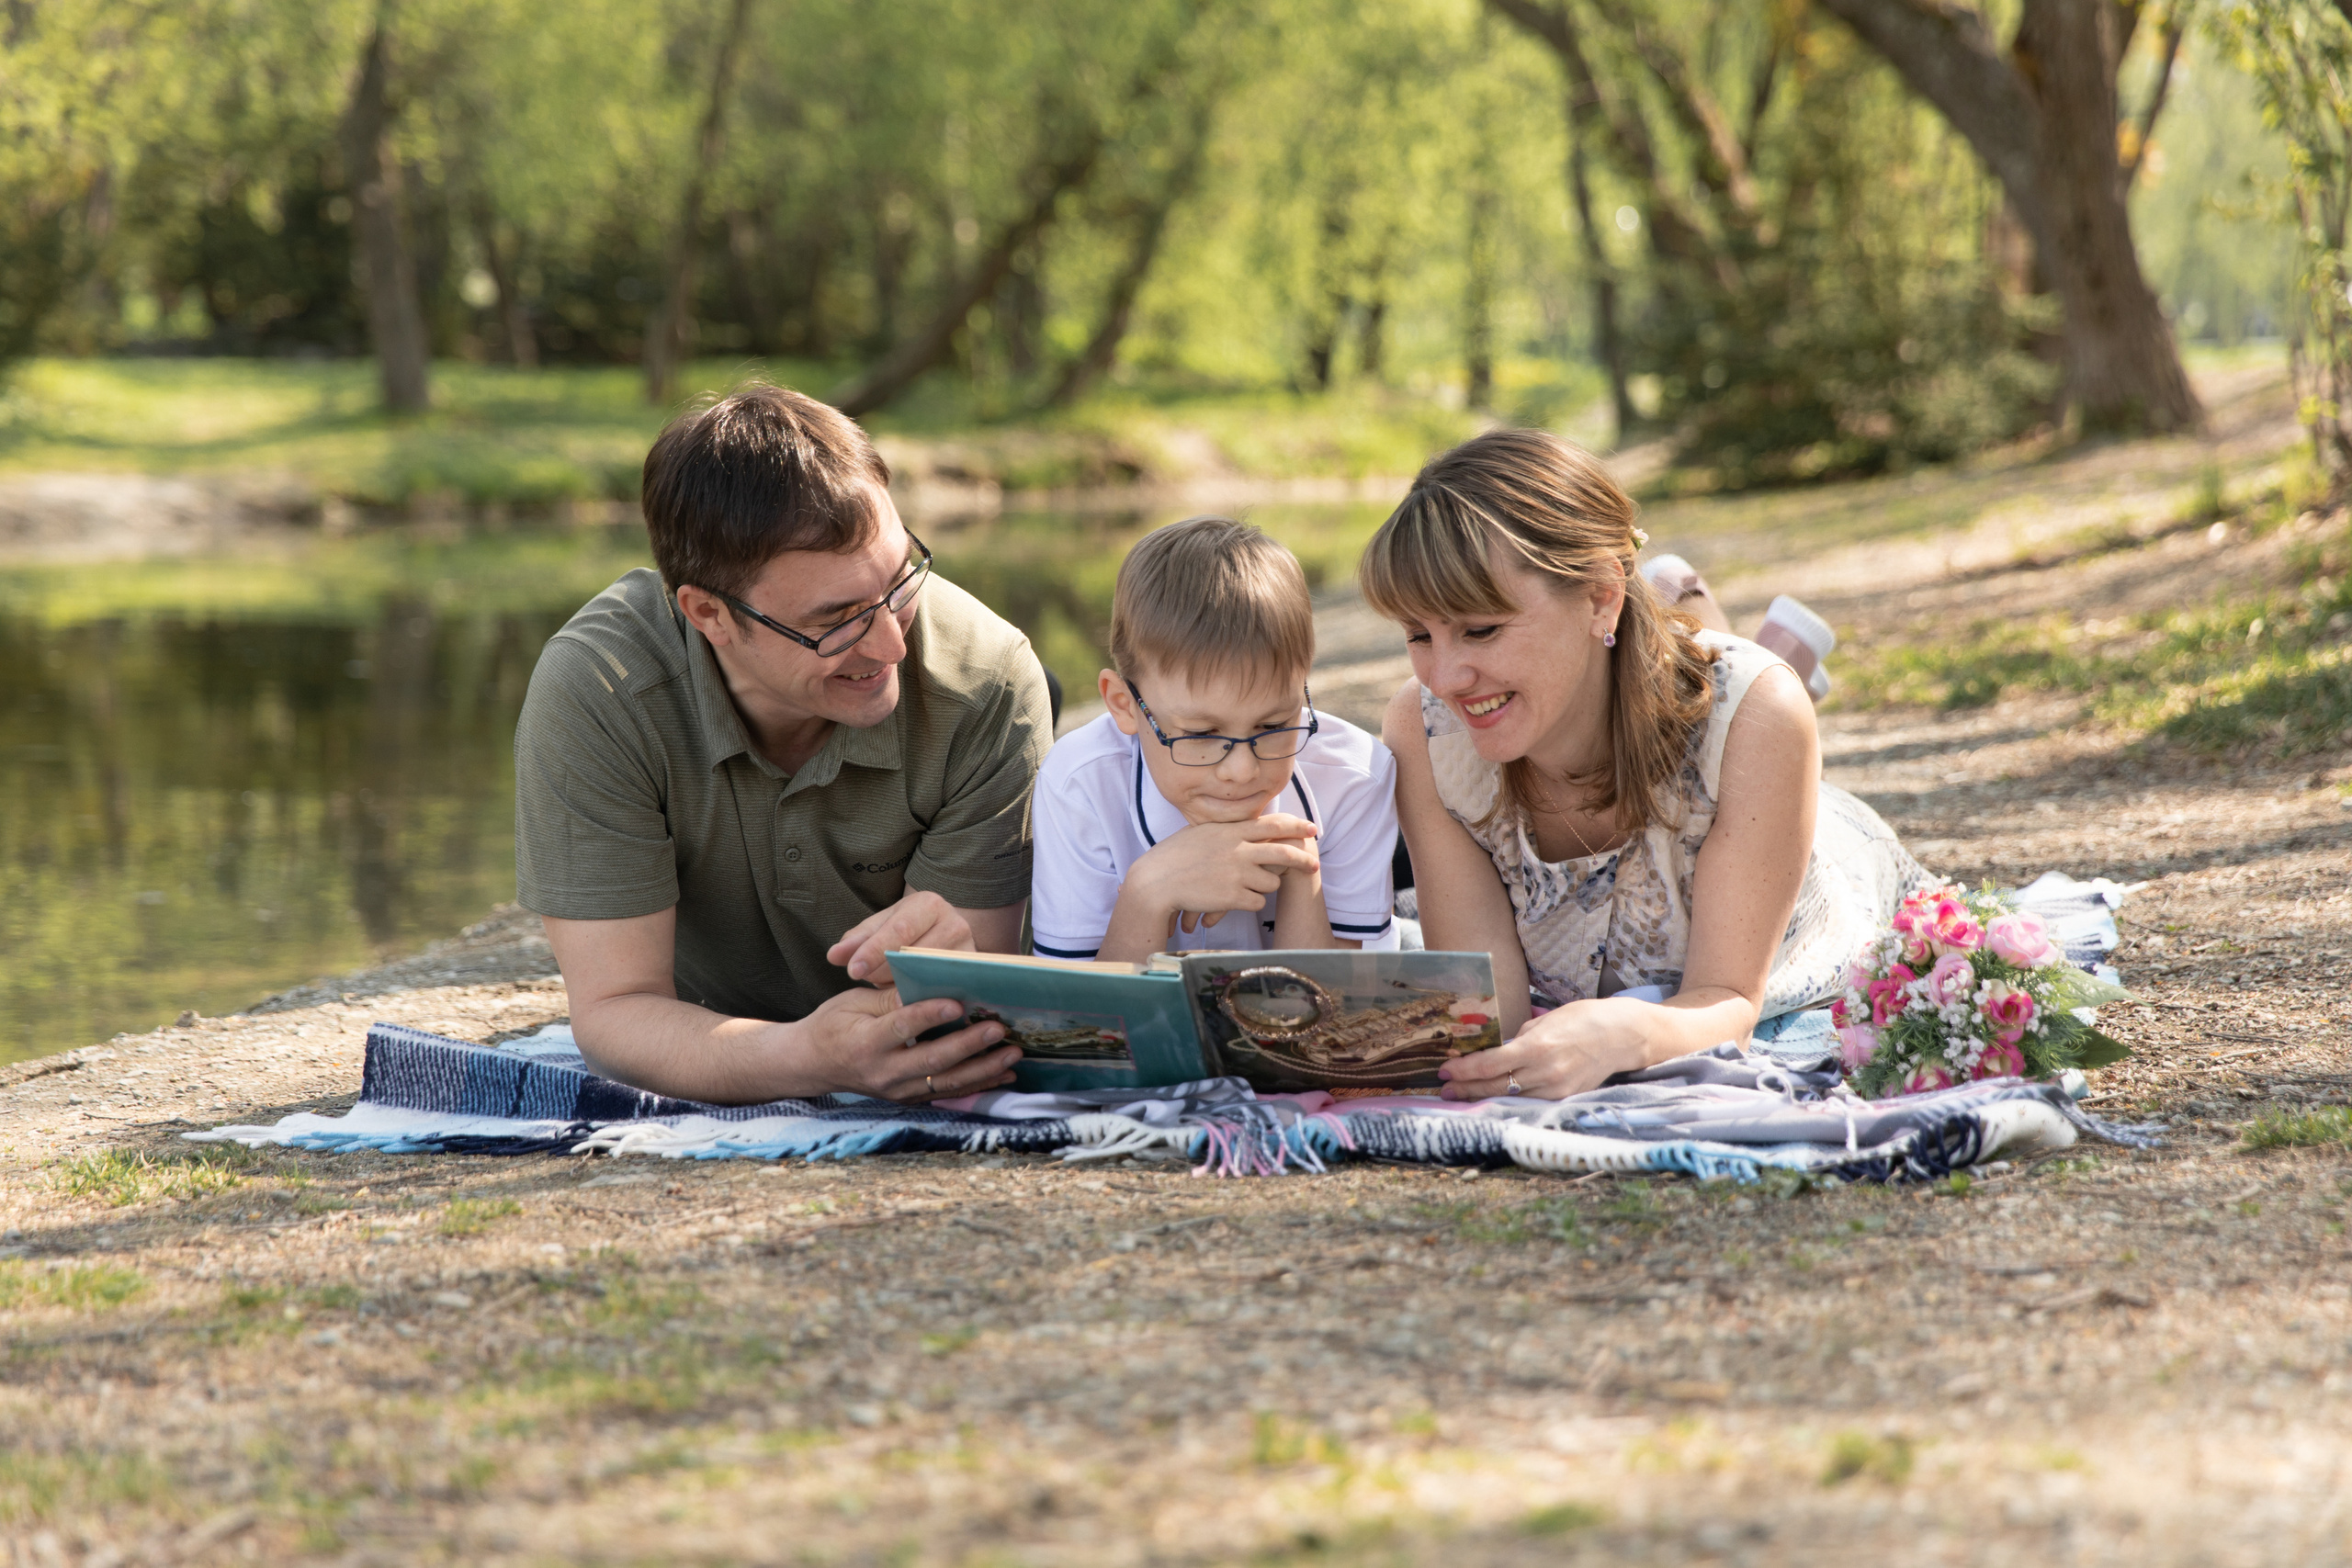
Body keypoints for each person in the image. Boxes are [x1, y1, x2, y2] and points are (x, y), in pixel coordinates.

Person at [513, 384, 1051, 1104]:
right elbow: (615, 1010)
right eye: (837, 619)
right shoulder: (600, 691)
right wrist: (808, 1056)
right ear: (710, 613)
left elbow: (946, 1016)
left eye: (900, 581)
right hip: (713, 1035)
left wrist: (950, 973)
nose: (892, 641)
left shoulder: (987, 682)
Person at [1360, 429, 1932, 1100]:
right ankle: (1689, 613)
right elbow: (1491, 1016)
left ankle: (1742, 652)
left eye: (1481, 629)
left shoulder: (1756, 723)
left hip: (1817, 859)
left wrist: (1622, 1034)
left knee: (1753, 704)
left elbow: (1726, 1002)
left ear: (1601, 593)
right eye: (1418, 636)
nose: (1448, 676)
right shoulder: (1424, 727)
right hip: (1675, 715)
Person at [1029, 516, 1399, 964]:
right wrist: (1149, 892)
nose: (1241, 770)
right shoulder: (1079, 782)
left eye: (1273, 725)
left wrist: (1304, 872)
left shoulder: (1356, 778)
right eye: (1202, 735)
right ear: (1124, 705)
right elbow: (1083, 1019)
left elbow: (1333, 1014)